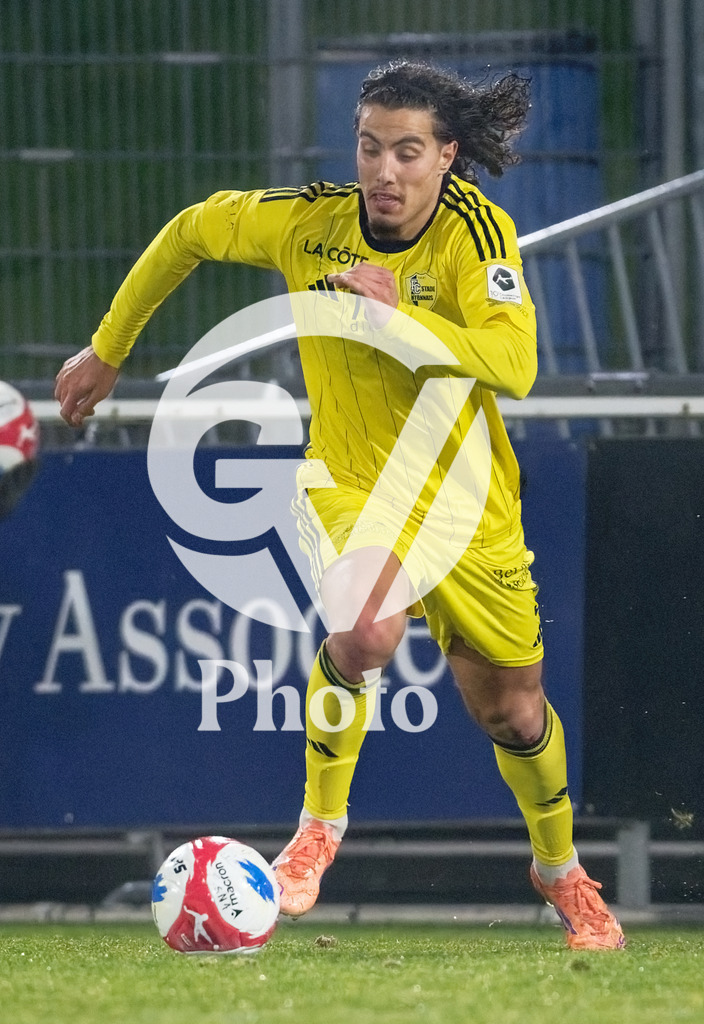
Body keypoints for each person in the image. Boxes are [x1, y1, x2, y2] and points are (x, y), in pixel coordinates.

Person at [55, 60, 624, 950]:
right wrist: (107, 349)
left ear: (447, 158)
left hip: (468, 503)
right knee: (365, 633)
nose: (384, 172)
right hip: (351, 481)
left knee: (513, 712)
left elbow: (515, 367)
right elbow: (190, 230)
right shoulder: (311, 223)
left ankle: (561, 873)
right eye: (369, 148)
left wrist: (402, 313)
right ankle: (318, 834)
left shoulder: (479, 235)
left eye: (406, 152)